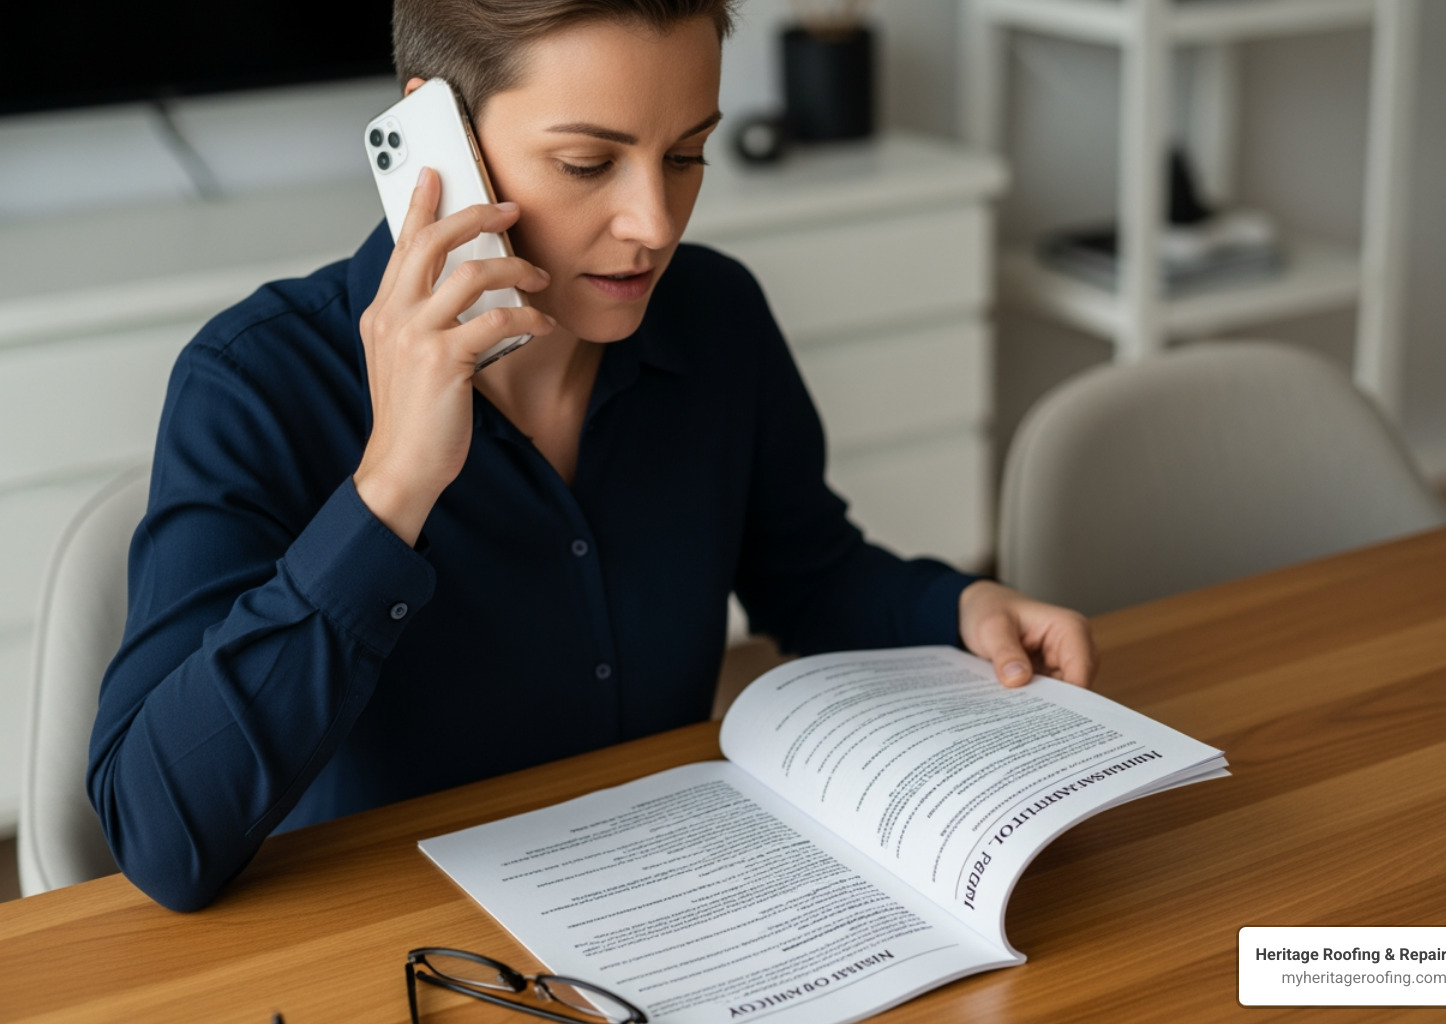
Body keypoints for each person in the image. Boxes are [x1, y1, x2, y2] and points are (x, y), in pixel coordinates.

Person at [88, 0, 1096, 913]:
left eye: (688, 153)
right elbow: (161, 837)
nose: (653, 226)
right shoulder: (252, 383)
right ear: (435, 135)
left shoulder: (718, 318)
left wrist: (954, 607)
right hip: (402, 955)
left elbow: (810, 572)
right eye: (587, 164)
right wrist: (390, 486)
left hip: (679, 911)